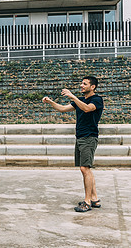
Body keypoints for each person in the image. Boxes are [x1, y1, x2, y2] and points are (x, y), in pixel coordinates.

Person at [42, 76, 104, 212]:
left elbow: (87, 109)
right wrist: (51, 102)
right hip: (80, 137)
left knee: (84, 168)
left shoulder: (97, 100)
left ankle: (87, 202)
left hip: (89, 137)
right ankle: (94, 199)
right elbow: (63, 109)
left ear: (92, 87)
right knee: (86, 169)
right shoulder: (80, 100)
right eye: (81, 83)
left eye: (84, 84)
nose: (81, 85)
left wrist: (73, 96)